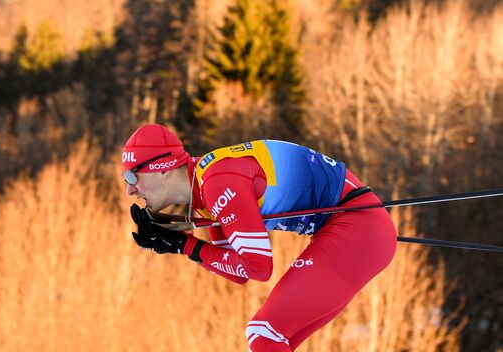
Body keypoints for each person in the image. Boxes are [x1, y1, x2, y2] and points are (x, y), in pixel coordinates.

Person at [122, 123, 396, 352]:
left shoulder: (218, 184)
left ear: (164, 168)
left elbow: (258, 267)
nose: (129, 190)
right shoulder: (205, 193)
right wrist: (185, 246)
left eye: (131, 176)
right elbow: (238, 271)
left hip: (358, 226)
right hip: (355, 230)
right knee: (274, 339)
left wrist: (189, 245)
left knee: (264, 333)